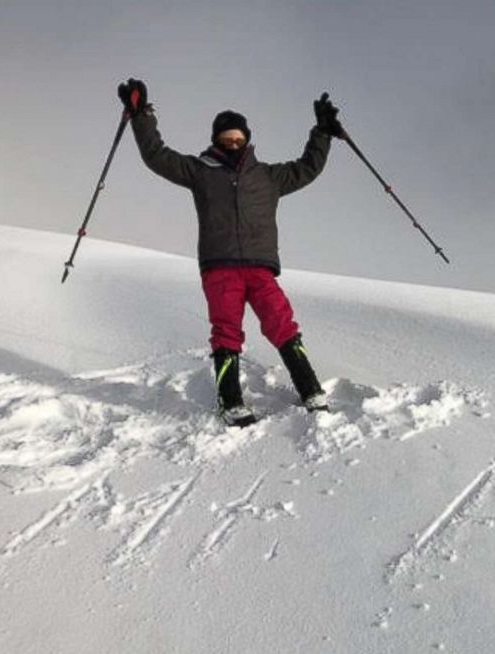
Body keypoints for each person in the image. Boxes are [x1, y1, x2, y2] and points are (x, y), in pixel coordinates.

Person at [117, 78, 343, 426]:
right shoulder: (200, 172)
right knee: (226, 331)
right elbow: (156, 156)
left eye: (238, 138)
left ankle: (310, 389)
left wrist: (323, 132)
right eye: (226, 139)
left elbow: (308, 167)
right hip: (220, 267)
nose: (233, 144)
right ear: (216, 140)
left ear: (247, 140)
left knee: (282, 323)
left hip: (260, 267)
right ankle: (231, 402)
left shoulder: (269, 177)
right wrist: (141, 115)